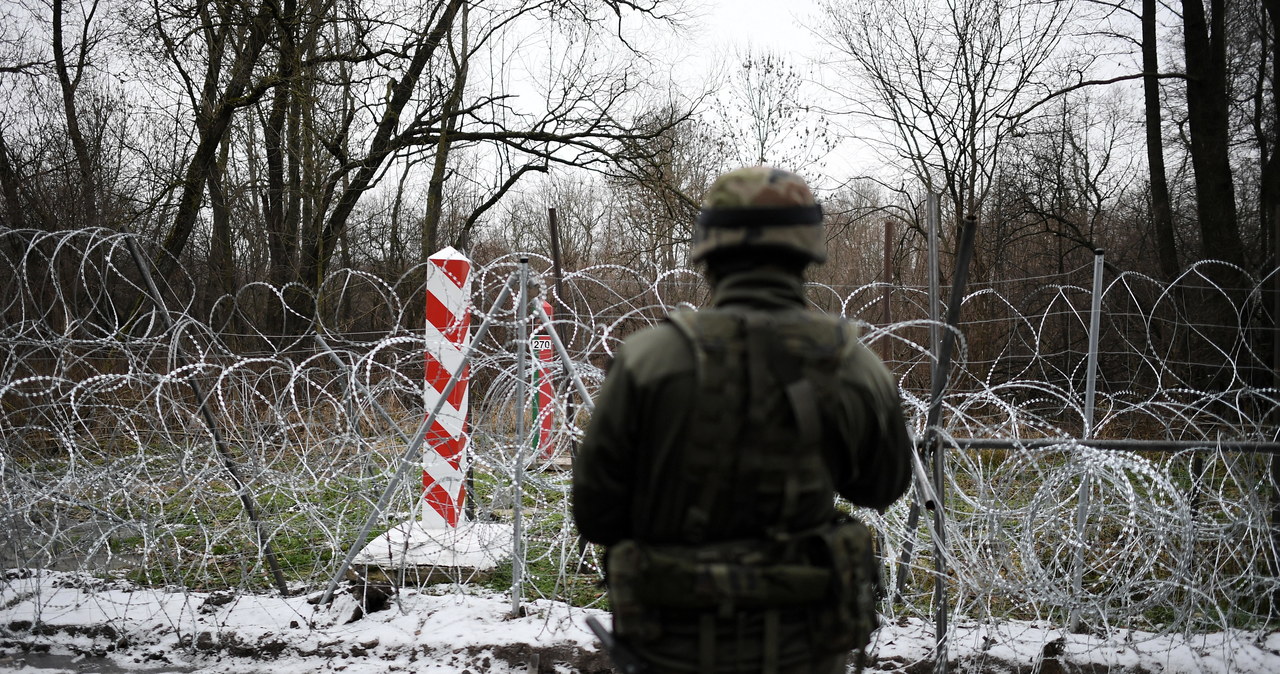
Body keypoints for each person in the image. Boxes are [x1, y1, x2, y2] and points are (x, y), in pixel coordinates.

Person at [572, 166, 913, 674]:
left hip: (669, 648)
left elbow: (596, 513)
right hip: (803, 650)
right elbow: (882, 486)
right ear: (806, 252)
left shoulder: (648, 359)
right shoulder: (850, 362)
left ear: (709, 252)